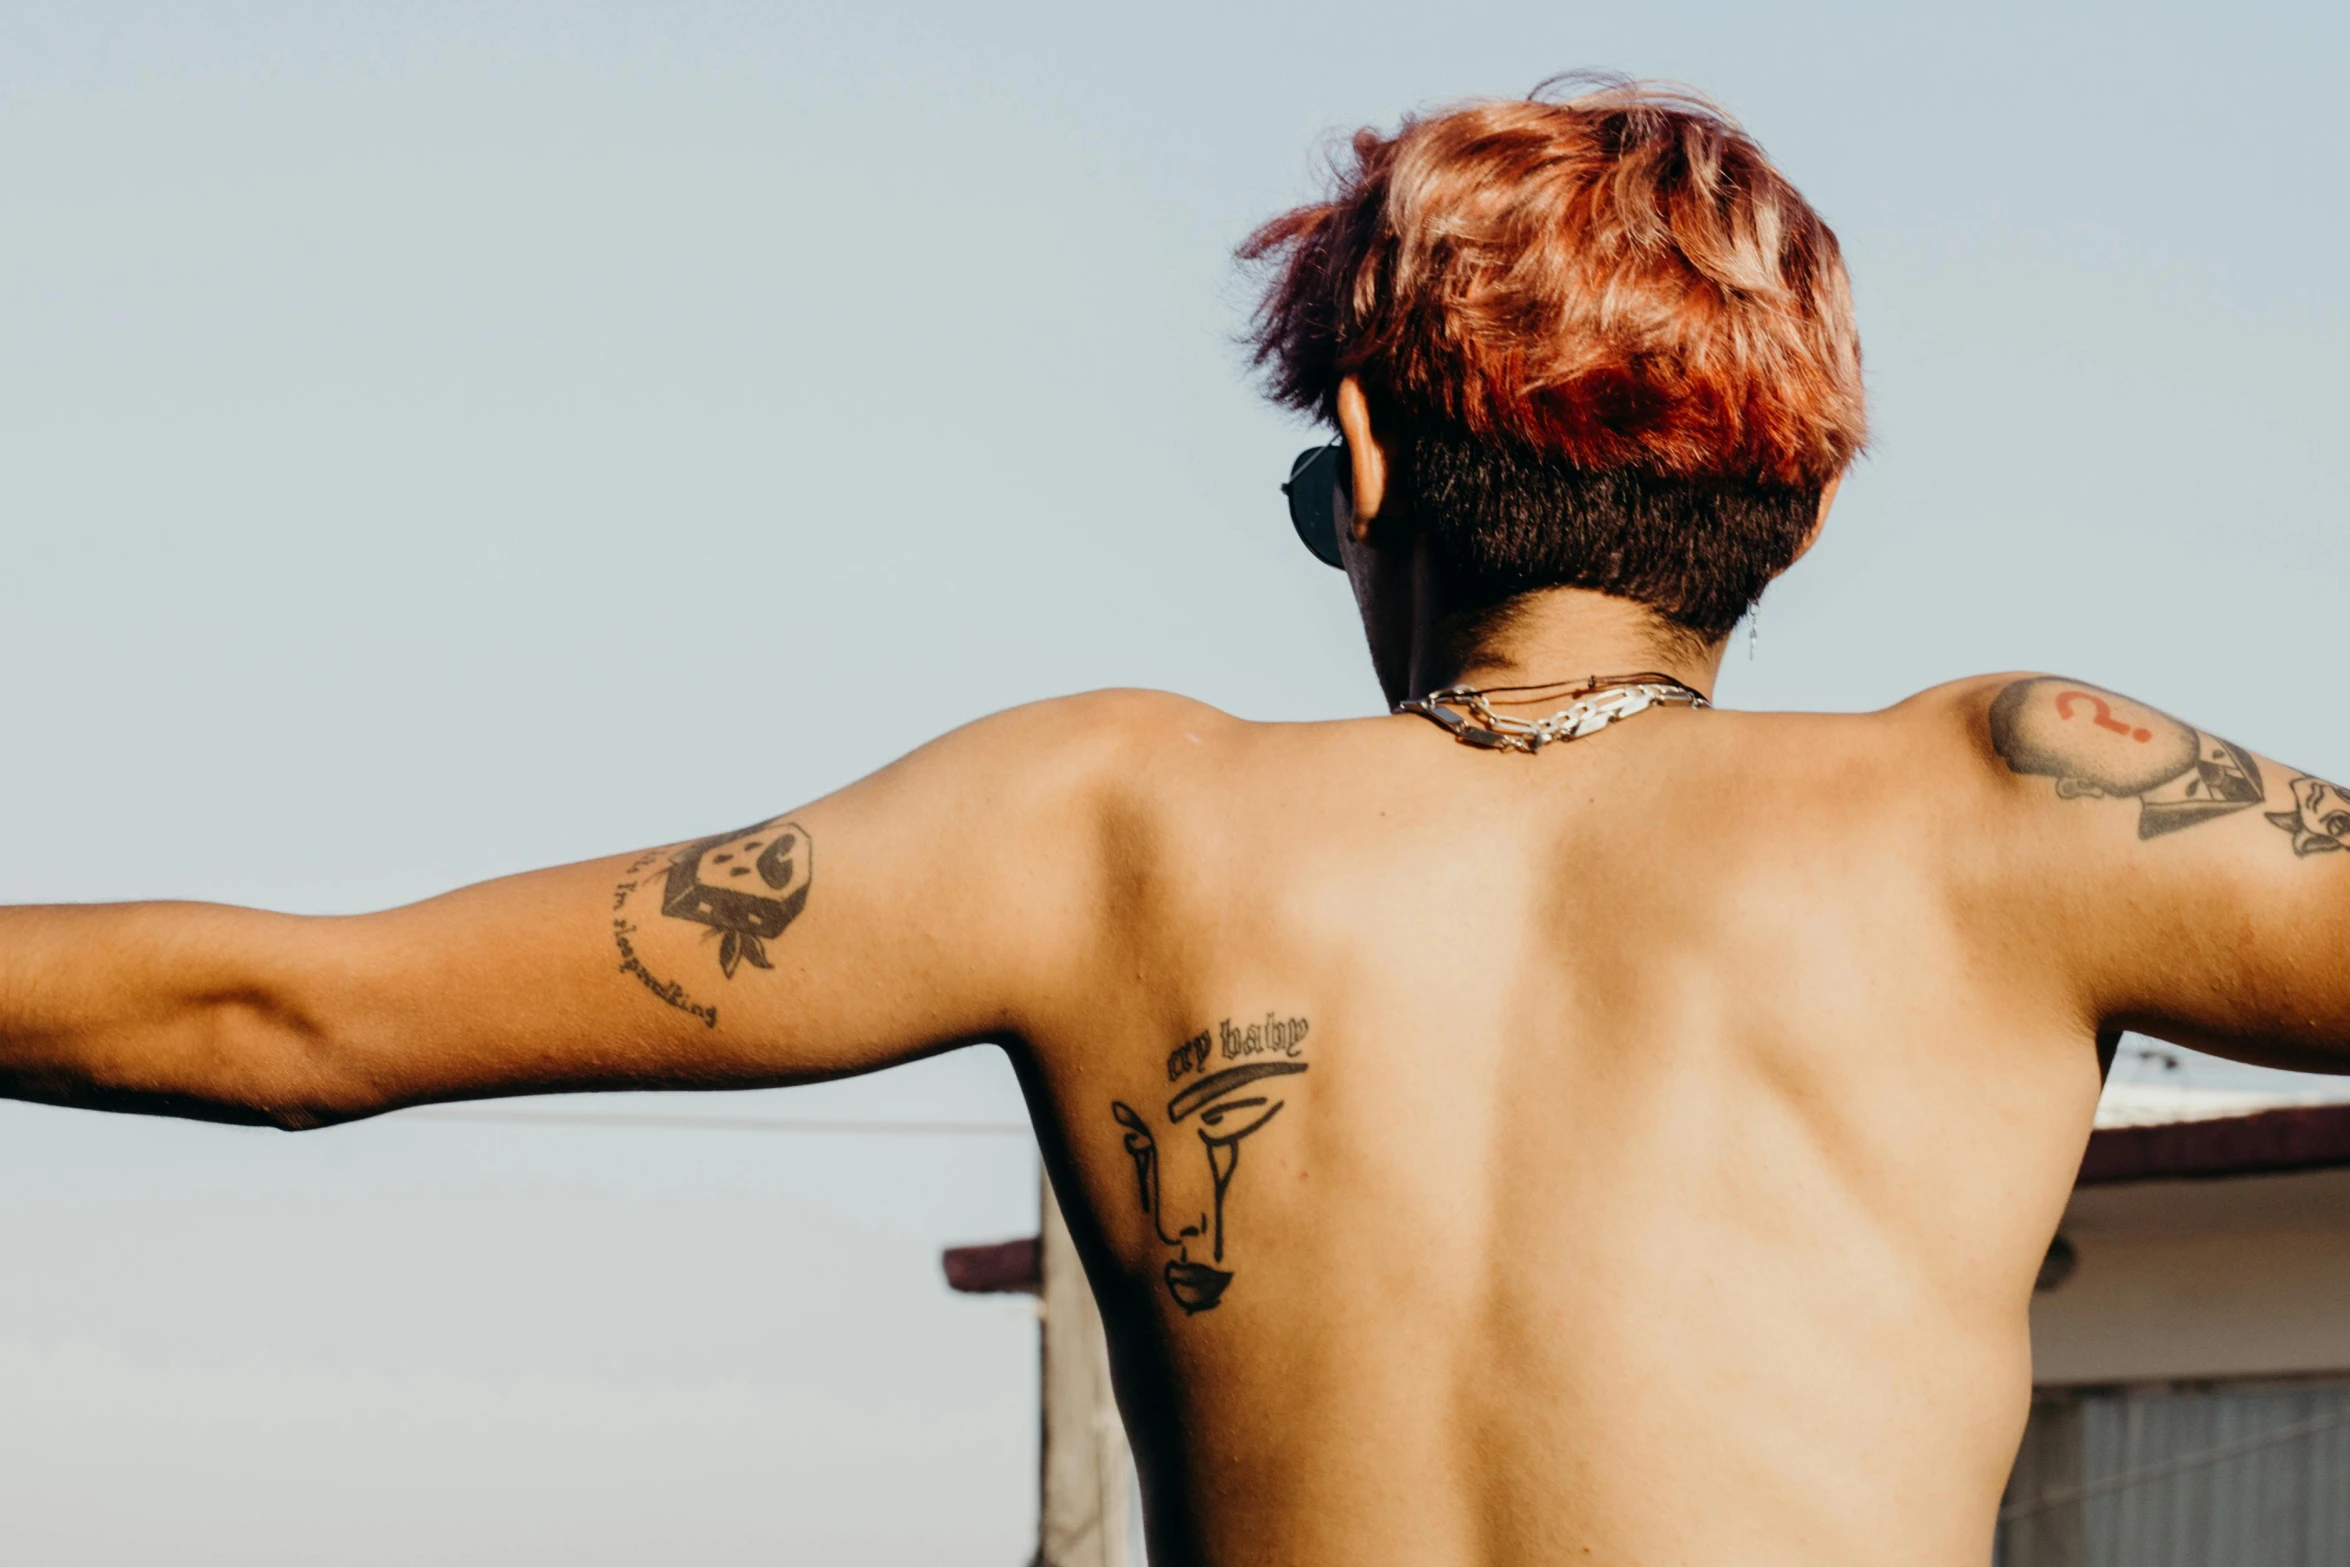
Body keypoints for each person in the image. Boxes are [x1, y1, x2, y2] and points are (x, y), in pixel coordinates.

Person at [4, 77, 2344, 1567]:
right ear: (1800, 514)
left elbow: (282, 1013)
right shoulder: (2015, 806)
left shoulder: (1107, 827)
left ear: (1368, 456)